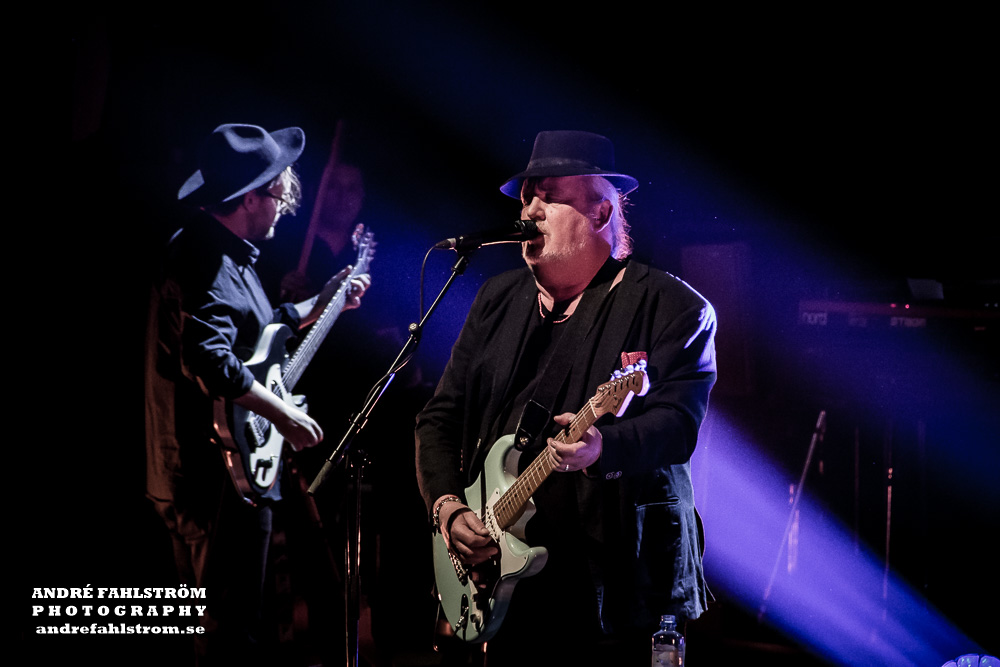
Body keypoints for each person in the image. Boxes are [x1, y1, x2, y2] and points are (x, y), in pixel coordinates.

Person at [415, 130, 717, 664]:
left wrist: (604, 447)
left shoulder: (672, 306)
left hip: (616, 585)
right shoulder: (496, 299)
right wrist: (447, 507)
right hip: (508, 582)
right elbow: (440, 416)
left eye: (550, 196)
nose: (530, 210)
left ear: (601, 213)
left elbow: (677, 425)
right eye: (527, 197)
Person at [144, 123, 368, 665]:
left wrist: (321, 303)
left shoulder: (225, 250)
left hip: (227, 471)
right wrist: (283, 415)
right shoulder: (204, 257)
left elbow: (256, 334)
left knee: (242, 627)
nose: (283, 208)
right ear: (249, 199)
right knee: (225, 633)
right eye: (277, 196)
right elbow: (209, 360)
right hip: (206, 477)